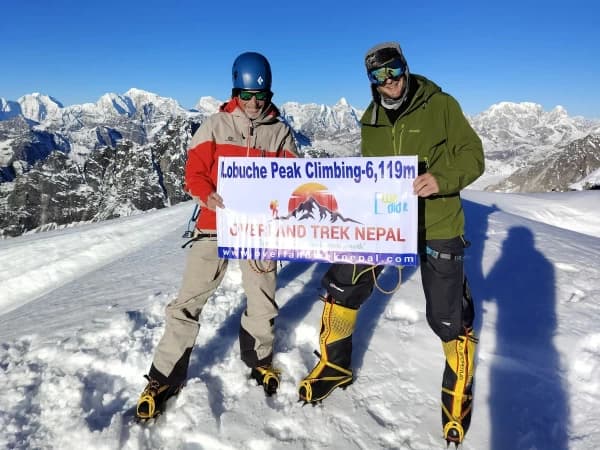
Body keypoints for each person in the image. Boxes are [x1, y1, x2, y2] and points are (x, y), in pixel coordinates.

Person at [297, 42, 484, 446]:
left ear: (405, 67)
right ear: (371, 83)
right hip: (387, 225)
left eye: (394, 70)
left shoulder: (440, 105)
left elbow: (474, 155)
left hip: (437, 222)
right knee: (343, 284)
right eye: (378, 76)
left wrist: (441, 179)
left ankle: (458, 390)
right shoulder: (371, 120)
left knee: (447, 315)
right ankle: (335, 365)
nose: (389, 81)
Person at [136, 51, 298, 420]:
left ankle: (259, 360)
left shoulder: (281, 132)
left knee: (262, 299)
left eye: (261, 96)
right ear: (235, 92)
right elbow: (194, 172)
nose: (254, 103)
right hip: (212, 224)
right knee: (188, 301)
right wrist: (205, 193)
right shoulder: (214, 125)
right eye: (246, 95)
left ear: (269, 94)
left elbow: (295, 181)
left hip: (258, 230)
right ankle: (163, 377)